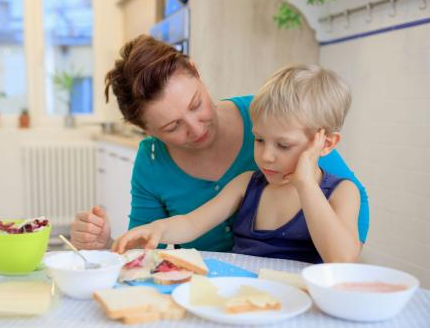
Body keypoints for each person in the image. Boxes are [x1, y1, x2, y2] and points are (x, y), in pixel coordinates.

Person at [70, 35, 369, 253]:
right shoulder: (241, 181)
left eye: (196, 104)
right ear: (147, 132)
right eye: (172, 126)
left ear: (197, 73)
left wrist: (305, 186)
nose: (196, 127)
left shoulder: (272, 118)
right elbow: (164, 236)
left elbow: (343, 251)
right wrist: (110, 245)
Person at [112, 64, 361, 263]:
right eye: (259, 139)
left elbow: (341, 259)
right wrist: (158, 229)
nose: (266, 156)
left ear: (326, 144)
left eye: (283, 145)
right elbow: (191, 223)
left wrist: (306, 185)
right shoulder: (247, 184)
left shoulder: (342, 193)